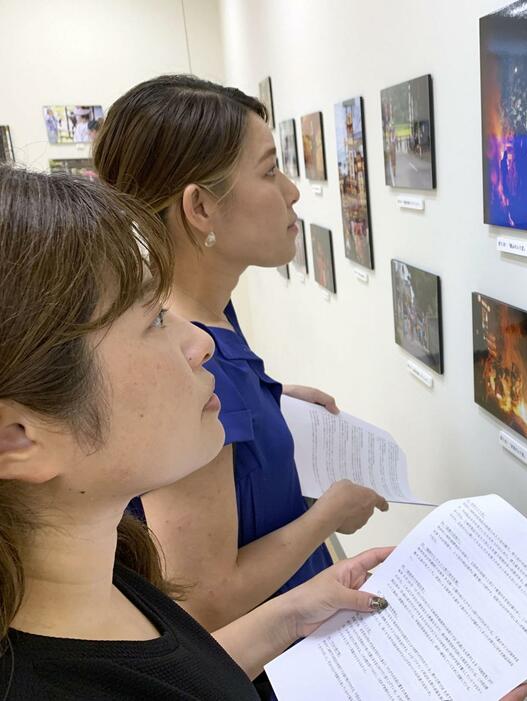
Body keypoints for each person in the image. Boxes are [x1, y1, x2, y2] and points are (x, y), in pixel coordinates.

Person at [0, 165, 527, 701]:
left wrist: (290, 615)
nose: (199, 343)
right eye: (153, 322)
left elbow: (175, 675)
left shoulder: (101, 575)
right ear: (19, 438)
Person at [93, 76, 388, 650]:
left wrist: (272, 400)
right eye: (270, 169)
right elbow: (203, 604)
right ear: (201, 206)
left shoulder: (203, 313)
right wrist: (327, 515)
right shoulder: (179, 367)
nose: (293, 191)